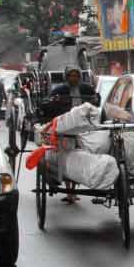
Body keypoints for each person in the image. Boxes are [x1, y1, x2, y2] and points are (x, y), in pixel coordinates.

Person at [50, 67, 99, 204]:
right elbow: (51, 105)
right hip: (65, 128)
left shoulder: (87, 89)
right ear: (66, 77)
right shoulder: (59, 90)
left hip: (83, 128)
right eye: (71, 75)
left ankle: (74, 188)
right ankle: (68, 190)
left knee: (80, 154)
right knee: (65, 155)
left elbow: (95, 103)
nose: (73, 78)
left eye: (76, 75)